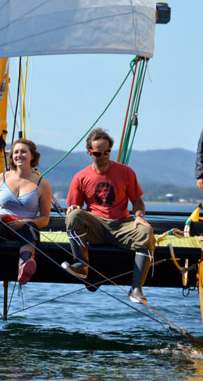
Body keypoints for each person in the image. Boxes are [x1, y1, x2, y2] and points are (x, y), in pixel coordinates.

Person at [61, 128, 154, 304]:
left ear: (110, 149)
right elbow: (75, 207)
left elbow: (137, 201)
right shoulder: (81, 177)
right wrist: (73, 208)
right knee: (73, 216)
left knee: (145, 232)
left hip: (122, 225)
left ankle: (136, 289)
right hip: (96, 225)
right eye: (97, 153)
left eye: (107, 152)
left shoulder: (126, 172)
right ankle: (81, 265)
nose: (103, 156)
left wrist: (140, 216)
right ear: (90, 152)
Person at [0, 139, 52, 291]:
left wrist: (24, 221)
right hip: (4, 223)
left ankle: (24, 269)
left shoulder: (42, 184)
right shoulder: (1, 178)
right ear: (11, 156)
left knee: (30, 227)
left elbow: (45, 219)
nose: (19, 155)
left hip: (25, 225)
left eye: (24, 151)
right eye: (16, 152)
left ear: (32, 156)